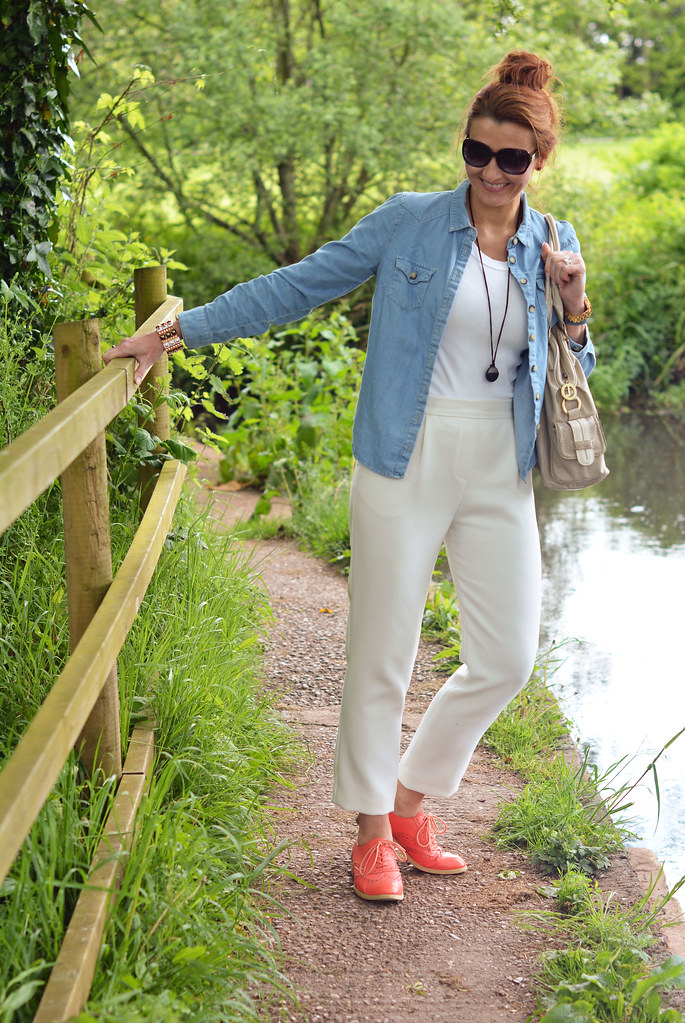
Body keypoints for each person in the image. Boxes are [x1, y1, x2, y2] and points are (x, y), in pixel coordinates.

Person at [104, 51, 595, 903]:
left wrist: (575, 302)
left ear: (536, 164)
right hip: (404, 456)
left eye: (509, 159)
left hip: (499, 465)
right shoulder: (407, 223)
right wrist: (177, 332)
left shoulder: (554, 243)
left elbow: (572, 366)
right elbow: (297, 287)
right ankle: (371, 833)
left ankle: (409, 799)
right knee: (382, 650)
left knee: (507, 656)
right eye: (476, 153)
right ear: (465, 149)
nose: (488, 171)